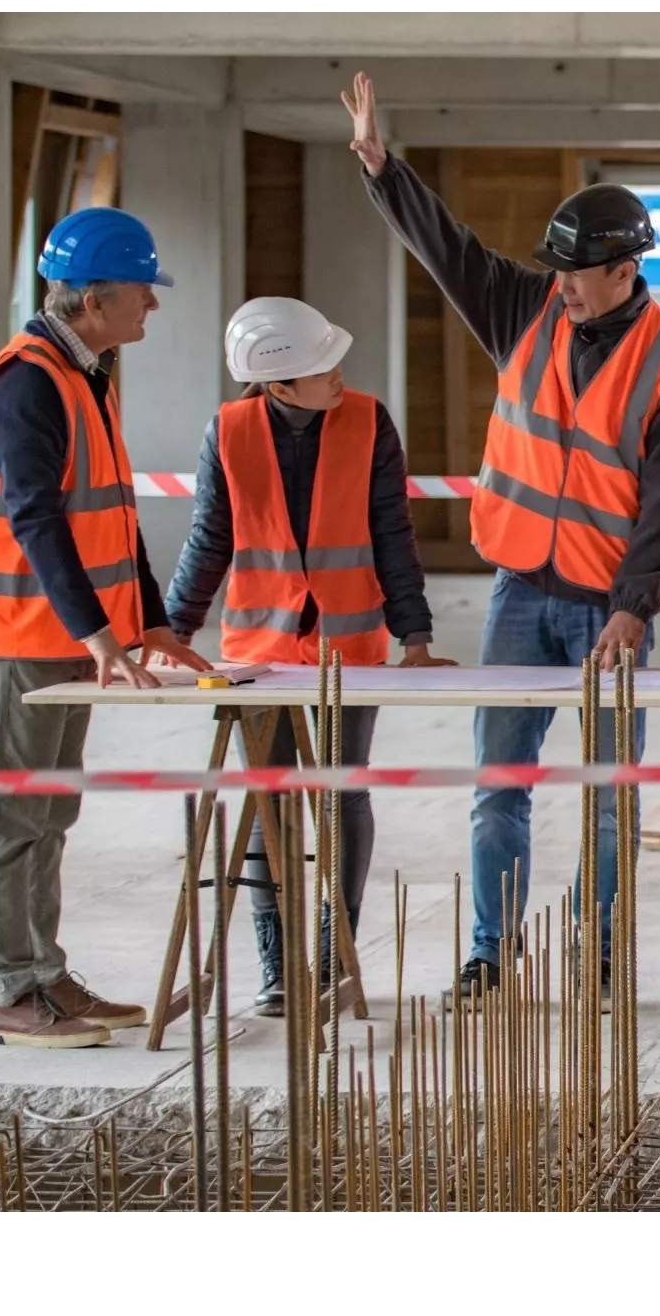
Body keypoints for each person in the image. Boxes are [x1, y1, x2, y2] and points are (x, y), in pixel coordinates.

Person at [341, 71, 660, 1009]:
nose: (560, 285)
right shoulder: (526, 314)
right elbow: (450, 252)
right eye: (554, 269)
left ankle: (597, 954)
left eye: (576, 272)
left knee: (604, 793)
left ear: (625, 270)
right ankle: (491, 953)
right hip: (518, 593)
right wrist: (385, 172)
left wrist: (636, 609)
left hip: (606, 611)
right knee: (497, 784)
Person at [0, 207, 209, 1048]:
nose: (152, 308)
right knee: (14, 815)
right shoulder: (25, 382)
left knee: (50, 811)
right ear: (93, 299)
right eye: (142, 292)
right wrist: (99, 635)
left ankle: (45, 976)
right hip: (19, 633)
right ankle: (11, 990)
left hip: (60, 634)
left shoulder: (81, 372)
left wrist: (150, 624)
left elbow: (112, 515)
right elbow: (36, 519)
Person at [164, 297, 454, 1016]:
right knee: (271, 803)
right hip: (256, 654)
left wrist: (415, 637)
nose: (339, 374)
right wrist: (171, 630)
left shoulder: (367, 420)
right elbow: (210, 539)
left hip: (348, 649)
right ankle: (276, 961)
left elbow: (393, 531)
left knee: (341, 794)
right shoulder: (229, 433)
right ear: (277, 385)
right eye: (321, 366)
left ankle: (334, 954)